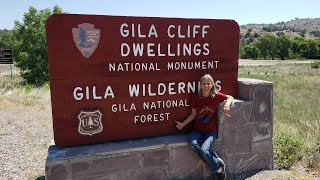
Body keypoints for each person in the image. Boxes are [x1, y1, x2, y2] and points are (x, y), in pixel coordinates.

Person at [175, 74, 234, 180]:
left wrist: (227, 104)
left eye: (208, 83)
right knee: (191, 142)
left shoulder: (216, 96)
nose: (206, 86)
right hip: (197, 129)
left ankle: (219, 171)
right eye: (204, 84)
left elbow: (230, 97)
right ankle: (215, 160)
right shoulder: (195, 97)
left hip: (210, 131)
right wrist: (183, 124)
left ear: (212, 84)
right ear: (200, 85)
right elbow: (193, 114)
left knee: (204, 151)